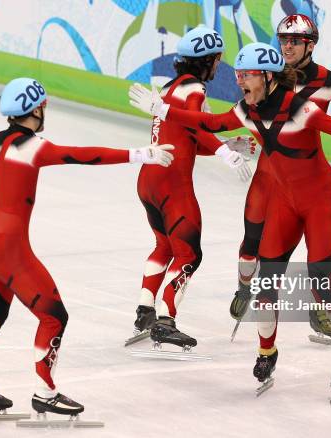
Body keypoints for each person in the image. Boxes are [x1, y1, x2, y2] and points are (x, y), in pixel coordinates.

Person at [128, 42, 331, 392]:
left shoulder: (300, 109)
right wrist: (164, 110)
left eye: (247, 75)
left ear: (267, 76)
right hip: (284, 203)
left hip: (320, 202)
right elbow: (211, 122)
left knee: (322, 280)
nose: (240, 81)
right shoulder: (247, 109)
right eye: (238, 74)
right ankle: (266, 352)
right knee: (265, 286)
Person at [0, 77, 174, 417]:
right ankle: (45, 392)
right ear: (34, 109)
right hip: (10, 250)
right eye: (43, 106)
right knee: (54, 316)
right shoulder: (33, 147)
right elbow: (83, 155)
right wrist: (141, 154)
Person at [229, 14, 331, 341]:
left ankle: (322, 311)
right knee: (252, 243)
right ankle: (244, 286)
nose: (286, 46)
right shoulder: (269, 75)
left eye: (294, 41)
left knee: (320, 256)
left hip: (304, 178)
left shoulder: (329, 80)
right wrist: (235, 144)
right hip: (268, 175)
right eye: (283, 39)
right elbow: (249, 113)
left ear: (310, 45)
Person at [131, 26, 253, 349]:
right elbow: (197, 128)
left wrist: (227, 144)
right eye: (216, 60)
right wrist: (226, 153)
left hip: (148, 180)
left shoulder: (171, 88)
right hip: (173, 185)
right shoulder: (195, 90)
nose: (217, 66)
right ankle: (165, 318)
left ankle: (145, 309)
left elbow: (185, 138)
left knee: (163, 246)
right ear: (206, 61)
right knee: (190, 255)